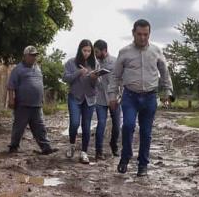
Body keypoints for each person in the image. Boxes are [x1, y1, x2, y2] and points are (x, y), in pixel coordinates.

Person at [108, 19, 173, 177]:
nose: (143, 38)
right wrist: (112, 96)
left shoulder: (156, 51)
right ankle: (125, 158)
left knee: (146, 132)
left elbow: (164, 73)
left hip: (150, 97)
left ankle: (143, 165)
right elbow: (115, 76)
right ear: (133, 33)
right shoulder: (124, 52)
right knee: (128, 126)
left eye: (146, 34)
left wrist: (168, 92)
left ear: (149, 34)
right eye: (139, 34)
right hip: (130, 96)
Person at [7, 46, 58, 155]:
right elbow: (11, 85)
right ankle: (13, 146)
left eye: (35, 56)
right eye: (31, 55)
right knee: (19, 127)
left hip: (36, 105)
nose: (33, 58)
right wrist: (11, 100)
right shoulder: (18, 69)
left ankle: (46, 147)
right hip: (22, 105)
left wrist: (42, 98)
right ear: (25, 56)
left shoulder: (38, 68)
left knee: (40, 127)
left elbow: (40, 84)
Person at [63, 40, 99, 164]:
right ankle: (72, 145)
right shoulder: (71, 62)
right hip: (75, 97)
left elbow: (97, 85)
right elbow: (65, 78)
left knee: (86, 126)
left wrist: (94, 78)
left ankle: (84, 153)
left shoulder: (95, 64)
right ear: (80, 50)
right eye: (84, 50)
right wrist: (79, 72)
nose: (86, 53)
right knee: (74, 123)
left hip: (89, 98)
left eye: (89, 51)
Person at [93, 39, 121, 160]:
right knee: (101, 124)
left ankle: (113, 145)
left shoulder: (116, 62)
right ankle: (98, 151)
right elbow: (92, 82)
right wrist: (93, 76)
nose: (95, 54)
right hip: (100, 98)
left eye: (97, 51)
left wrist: (120, 96)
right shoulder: (94, 63)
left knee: (116, 125)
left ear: (104, 50)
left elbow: (121, 80)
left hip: (114, 98)